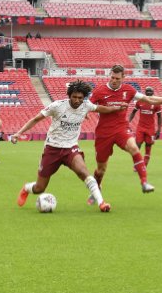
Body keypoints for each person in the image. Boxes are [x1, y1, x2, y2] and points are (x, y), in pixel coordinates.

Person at [9, 80, 126, 212]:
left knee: (84, 172)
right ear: (69, 96)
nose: (77, 100)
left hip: (71, 148)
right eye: (74, 97)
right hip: (52, 148)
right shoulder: (57, 106)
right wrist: (19, 133)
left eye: (80, 98)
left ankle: (101, 203)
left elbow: (100, 108)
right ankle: (26, 188)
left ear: (84, 98)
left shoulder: (86, 105)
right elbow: (36, 119)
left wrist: (116, 108)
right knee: (39, 188)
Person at [89, 65, 162, 196]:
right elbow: (88, 106)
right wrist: (85, 113)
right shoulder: (99, 91)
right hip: (104, 132)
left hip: (121, 128)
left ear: (123, 78)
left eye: (117, 78)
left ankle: (144, 182)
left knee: (134, 148)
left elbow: (148, 99)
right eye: (112, 77)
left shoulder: (128, 90)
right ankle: (97, 187)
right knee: (101, 169)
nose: (114, 80)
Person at [128, 86, 162, 166]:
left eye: (150, 91)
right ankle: (137, 164)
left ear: (153, 93)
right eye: (147, 91)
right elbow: (133, 112)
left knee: (148, 146)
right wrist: (128, 122)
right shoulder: (140, 101)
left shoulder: (156, 103)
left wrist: (159, 130)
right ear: (145, 92)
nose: (149, 93)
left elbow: (159, 117)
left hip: (150, 129)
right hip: (140, 127)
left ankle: (144, 165)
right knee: (137, 146)